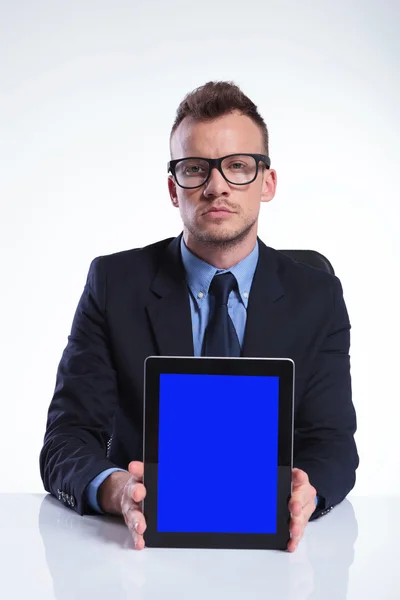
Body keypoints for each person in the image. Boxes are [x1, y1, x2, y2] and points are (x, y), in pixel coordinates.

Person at [39, 80, 359, 553]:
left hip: (273, 550)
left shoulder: (318, 296)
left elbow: (331, 443)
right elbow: (67, 438)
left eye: (238, 166)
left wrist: (305, 493)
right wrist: (118, 492)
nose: (216, 186)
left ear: (267, 182)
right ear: (174, 188)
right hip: (140, 547)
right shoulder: (113, 284)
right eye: (195, 169)